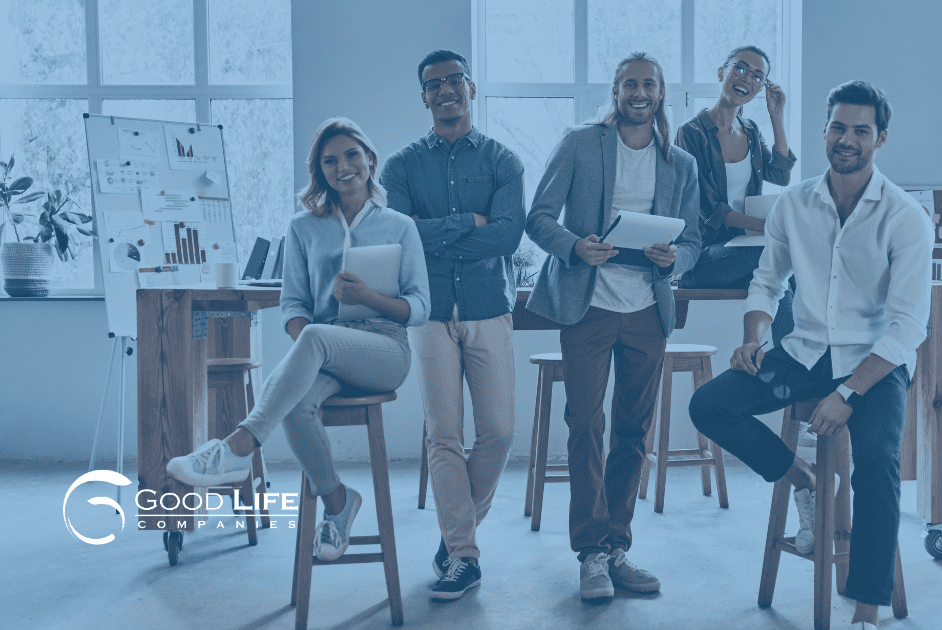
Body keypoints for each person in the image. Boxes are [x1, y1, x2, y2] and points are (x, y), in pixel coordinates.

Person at [689, 81, 933, 630]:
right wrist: (754, 336)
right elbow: (767, 282)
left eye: (861, 131)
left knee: (877, 465)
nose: (847, 139)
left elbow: (906, 328)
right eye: (838, 127)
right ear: (825, 130)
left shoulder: (905, 217)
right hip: (802, 353)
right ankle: (803, 482)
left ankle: (867, 610)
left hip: (875, 364)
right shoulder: (794, 203)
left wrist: (847, 394)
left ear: (881, 138)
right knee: (710, 406)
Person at [167, 118, 430, 563]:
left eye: (351, 155)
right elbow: (293, 307)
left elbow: (421, 308)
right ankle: (337, 505)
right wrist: (309, 343)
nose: (342, 166)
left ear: (369, 159)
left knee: (311, 343)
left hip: (384, 350)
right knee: (294, 404)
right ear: (319, 171)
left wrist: (368, 297)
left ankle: (237, 447)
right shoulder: (303, 228)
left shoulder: (400, 226)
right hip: (325, 351)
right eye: (330, 161)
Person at [524, 52, 701, 602]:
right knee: (585, 426)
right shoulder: (581, 143)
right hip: (588, 305)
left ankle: (618, 546)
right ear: (616, 90)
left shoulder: (682, 163)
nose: (639, 92)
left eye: (649, 84)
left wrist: (674, 259)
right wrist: (575, 246)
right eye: (630, 84)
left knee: (634, 428)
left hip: (647, 308)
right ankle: (591, 552)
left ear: (662, 92)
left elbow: (693, 241)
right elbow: (539, 217)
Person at [380, 49, 525, 601]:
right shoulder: (399, 167)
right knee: (443, 434)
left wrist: (435, 230)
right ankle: (464, 555)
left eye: (454, 80)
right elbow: (402, 238)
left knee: (500, 433)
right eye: (433, 84)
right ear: (423, 96)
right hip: (429, 311)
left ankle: (453, 532)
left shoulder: (502, 160)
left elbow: (508, 237)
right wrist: (470, 221)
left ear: (470, 87)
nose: (445, 90)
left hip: (489, 307)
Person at [675, 45, 797, 349]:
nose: (747, 78)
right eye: (740, 68)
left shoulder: (752, 131)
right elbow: (710, 209)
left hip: (744, 254)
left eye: (758, 76)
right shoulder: (691, 134)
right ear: (722, 72)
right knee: (780, 257)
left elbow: (780, 176)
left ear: (761, 87)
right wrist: (768, 227)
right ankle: (796, 371)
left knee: (785, 283)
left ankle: (793, 371)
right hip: (702, 257)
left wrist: (777, 117)